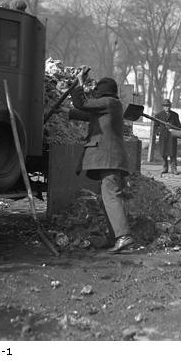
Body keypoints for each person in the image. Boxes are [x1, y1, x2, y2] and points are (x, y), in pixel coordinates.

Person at [68, 73, 134, 253]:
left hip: (110, 159)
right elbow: (85, 112)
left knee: (112, 197)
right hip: (110, 159)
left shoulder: (109, 103)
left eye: (97, 90)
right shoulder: (109, 106)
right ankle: (115, 237)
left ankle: (123, 237)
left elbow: (82, 103)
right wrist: (67, 112)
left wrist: (79, 85)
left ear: (103, 92)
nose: (95, 93)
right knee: (109, 198)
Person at [153, 98, 181, 174]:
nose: (167, 107)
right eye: (165, 106)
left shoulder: (175, 115)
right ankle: (165, 168)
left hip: (172, 137)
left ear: (170, 106)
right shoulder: (159, 115)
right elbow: (156, 126)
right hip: (163, 137)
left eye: (168, 106)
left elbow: (179, 126)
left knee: (172, 153)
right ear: (163, 107)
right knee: (163, 153)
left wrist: (172, 127)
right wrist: (158, 132)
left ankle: (173, 169)